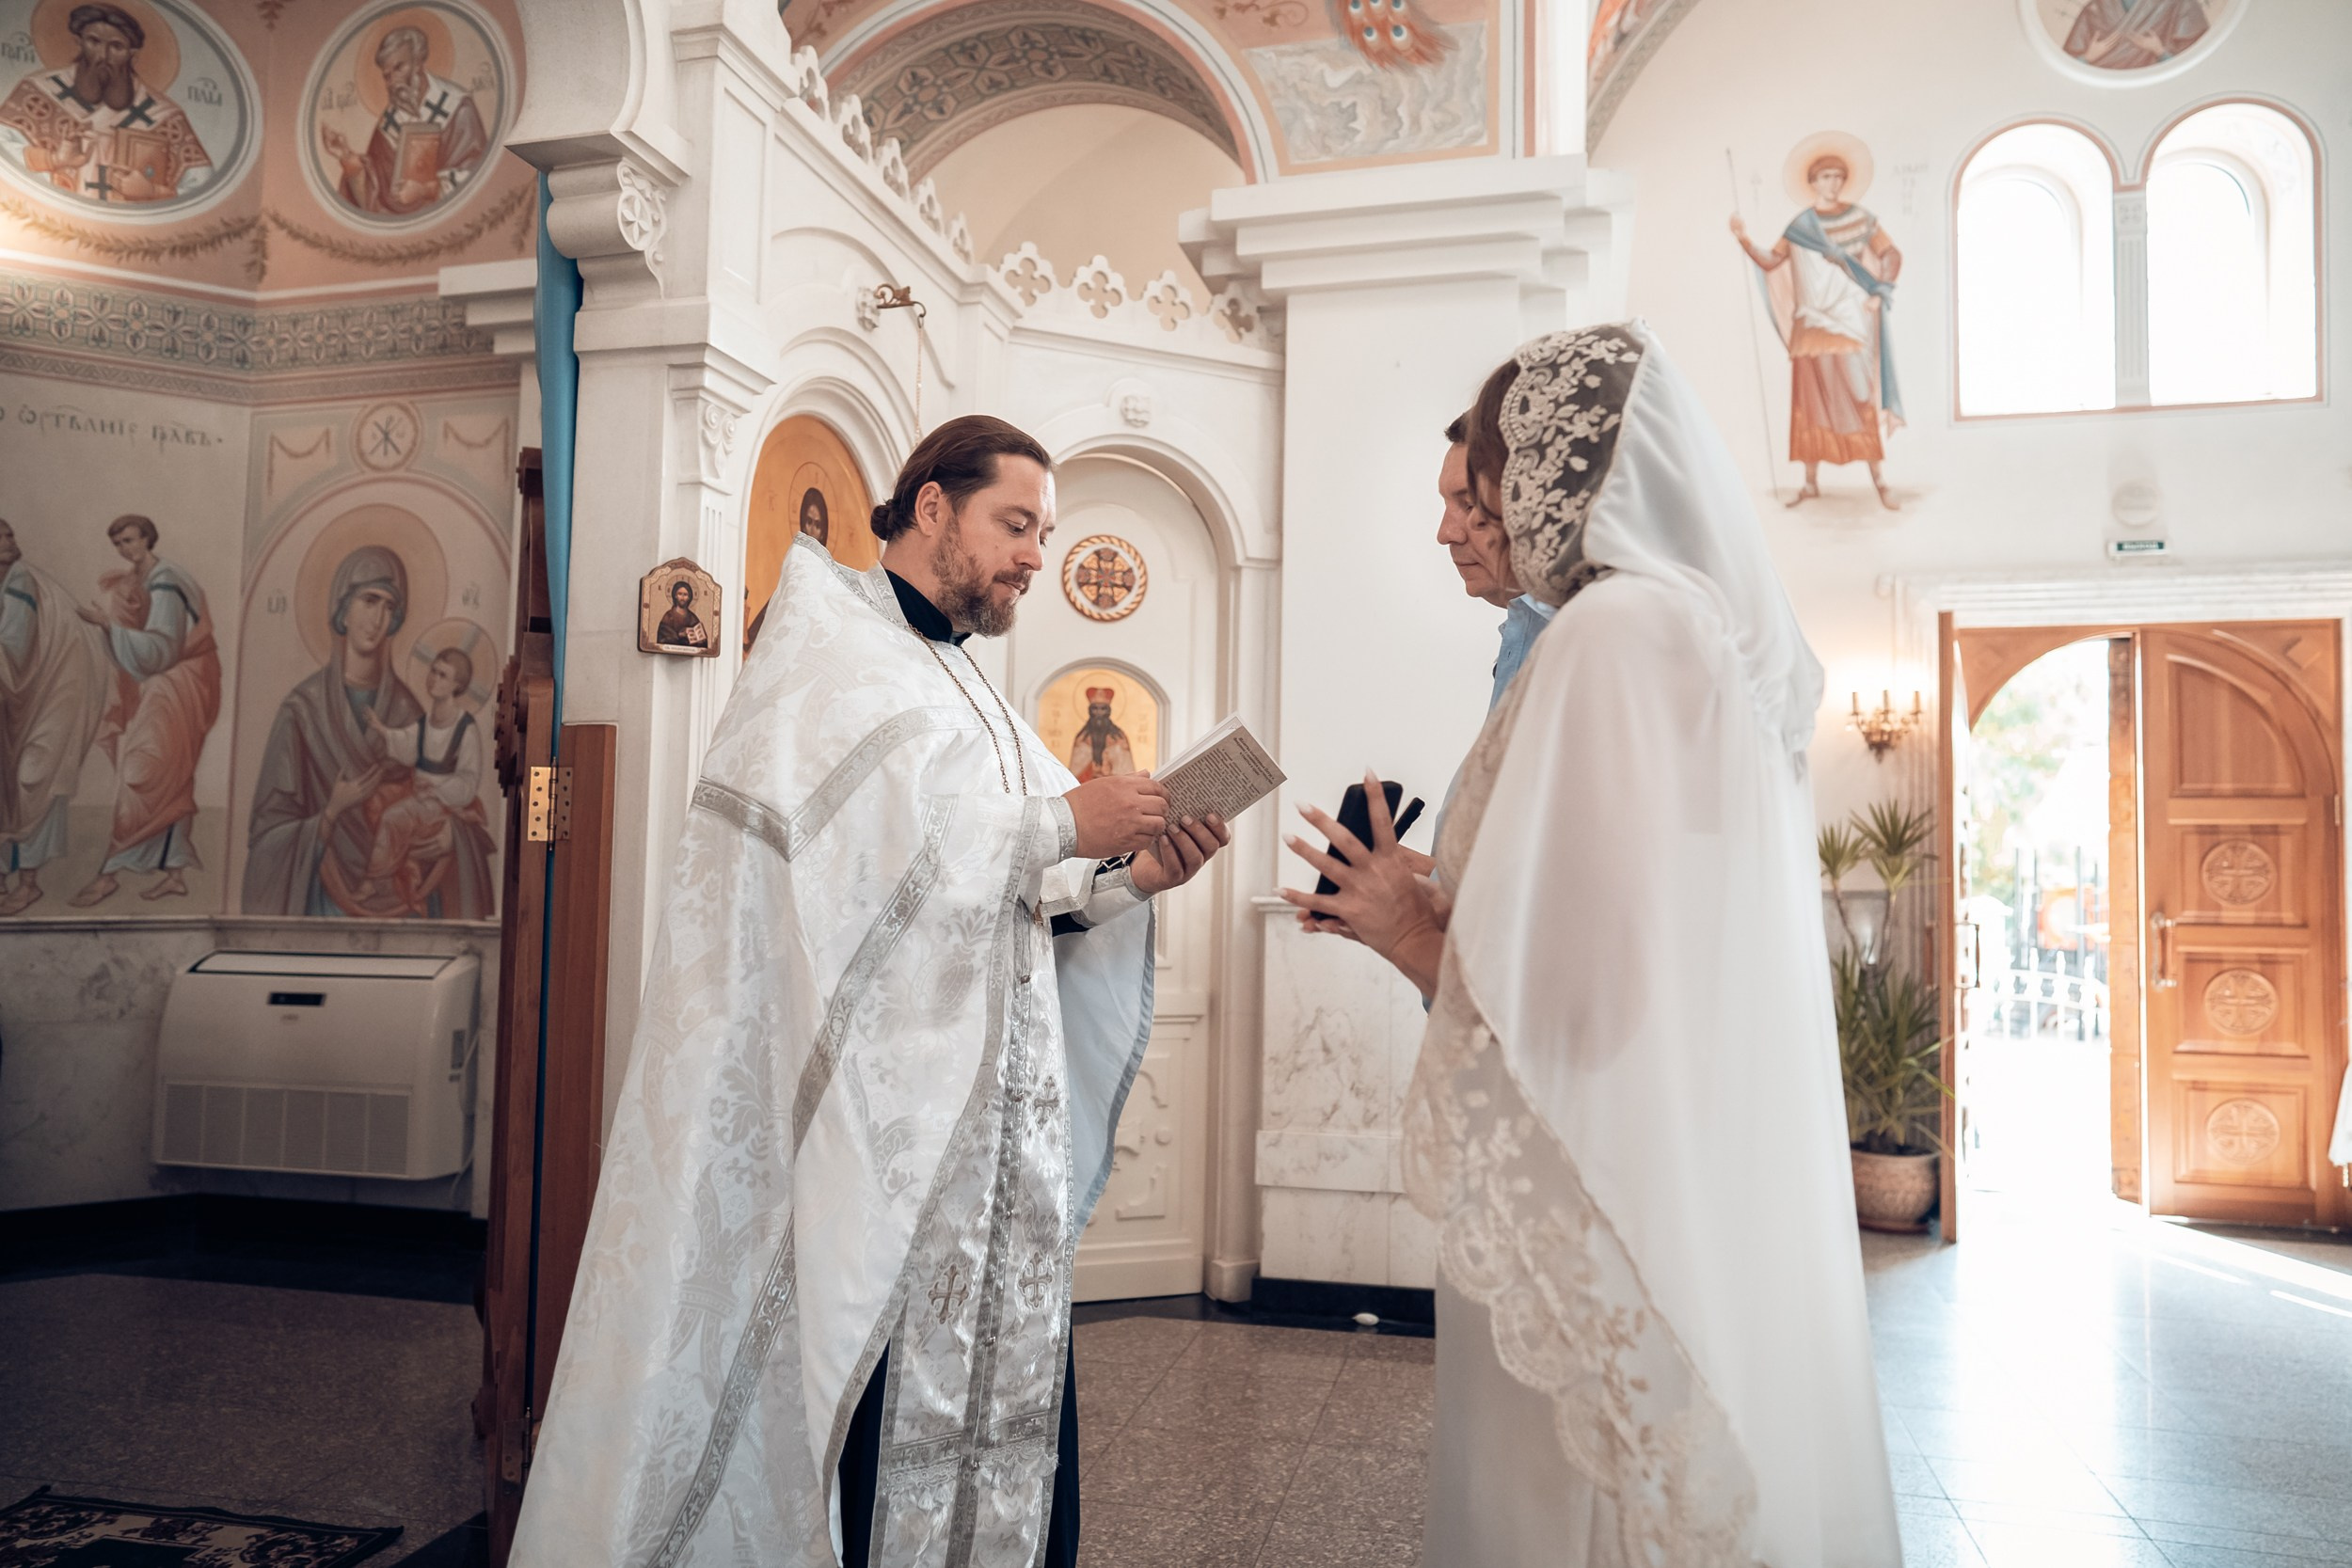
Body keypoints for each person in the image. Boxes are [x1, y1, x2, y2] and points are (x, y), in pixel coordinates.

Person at [513, 416, 1232, 1568]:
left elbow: (1016, 894)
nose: (1033, 556)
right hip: (879, 1151)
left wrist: (1132, 872)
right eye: (1016, 525)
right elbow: (852, 879)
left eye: (1044, 534)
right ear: (932, 505)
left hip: (988, 1164)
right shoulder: (830, 650)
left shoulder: (961, 680)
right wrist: (1061, 821)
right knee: (869, 1412)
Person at [1284, 324, 1899, 1566]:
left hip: (1594, 1175)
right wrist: (1456, 909)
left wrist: (1407, 934)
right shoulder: (1695, 627)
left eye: (1485, 481)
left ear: (1550, 469)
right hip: (1674, 1155)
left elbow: (1582, 1005)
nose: (1467, 519)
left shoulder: (1607, 635)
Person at [1294, 411, 1553, 970]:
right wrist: (1427, 883)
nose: (1446, 532)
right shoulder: (1521, 633)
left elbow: (1573, 902)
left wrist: (1410, 933)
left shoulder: (1579, 651)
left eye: (1468, 503)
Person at [243, 545, 495, 919]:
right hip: (321, 902)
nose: (378, 618)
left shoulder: (410, 711)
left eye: (389, 607)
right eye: (369, 601)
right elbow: (268, 836)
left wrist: (452, 839)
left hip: (405, 896)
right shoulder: (302, 711)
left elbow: (448, 800)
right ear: (343, 608)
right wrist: (331, 814)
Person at [1731, 149, 1903, 510]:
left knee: (1859, 397)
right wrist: (1744, 239)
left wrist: (1881, 290)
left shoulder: (1861, 219)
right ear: (1812, 183)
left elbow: (1891, 254)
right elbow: (1772, 260)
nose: (1833, 183)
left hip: (1851, 319)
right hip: (1811, 323)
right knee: (1809, 402)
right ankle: (1810, 483)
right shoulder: (1801, 226)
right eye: (1826, 177)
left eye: (1838, 177)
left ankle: (1879, 481)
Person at [71, 515, 219, 906]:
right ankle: (175, 873)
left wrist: (108, 626)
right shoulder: (143, 578)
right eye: (119, 543)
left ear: (148, 539)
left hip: (177, 682)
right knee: (172, 774)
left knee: (141, 772)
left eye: (131, 540)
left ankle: (108, 875)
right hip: (170, 680)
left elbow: (162, 649)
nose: (125, 548)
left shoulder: (166, 581)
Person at [0, 519, 109, 916]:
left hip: (56, 690)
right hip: (18, 698)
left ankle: (29, 884)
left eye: (9, 533)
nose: (9, 540)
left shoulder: (21, 582)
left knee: (37, 778)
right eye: (0, 536)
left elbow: (14, 646)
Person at [0, 4, 213, 205]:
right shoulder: (39, 93)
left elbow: (201, 185)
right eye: (94, 42)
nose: (103, 56)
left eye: (116, 46)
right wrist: (53, 159)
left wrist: (152, 192)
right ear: (79, 42)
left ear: (132, 54)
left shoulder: (164, 116)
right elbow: (4, 147)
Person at [358, 645, 490, 915]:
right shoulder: (426, 721)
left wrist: (437, 789)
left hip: (442, 803)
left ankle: (375, 880)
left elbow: (468, 780)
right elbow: (406, 744)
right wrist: (381, 729)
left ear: (457, 685)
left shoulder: (465, 728)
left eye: (442, 675)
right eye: (433, 671)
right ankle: (390, 871)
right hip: (417, 793)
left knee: (392, 817)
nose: (433, 679)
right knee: (375, 801)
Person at [321, 24, 491, 218]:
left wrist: (426, 190)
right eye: (387, 76)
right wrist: (346, 156)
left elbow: (475, 173)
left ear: (418, 62)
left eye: (399, 68)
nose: (394, 81)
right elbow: (376, 193)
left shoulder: (458, 107)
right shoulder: (389, 122)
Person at [1065, 687, 1136, 781]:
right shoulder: (1082, 739)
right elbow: (1074, 776)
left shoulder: (1119, 739)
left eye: (1103, 709)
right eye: (1095, 709)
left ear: (1108, 711)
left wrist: (1108, 774)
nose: (1099, 713)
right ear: (1090, 711)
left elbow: (1127, 775)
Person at [655, 578, 709, 648]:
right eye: (680, 594)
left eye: (685, 594)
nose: (682, 598)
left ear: (689, 597)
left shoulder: (693, 617)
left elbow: (703, 642)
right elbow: (663, 639)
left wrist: (701, 641)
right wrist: (680, 635)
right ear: (675, 596)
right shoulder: (668, 616)